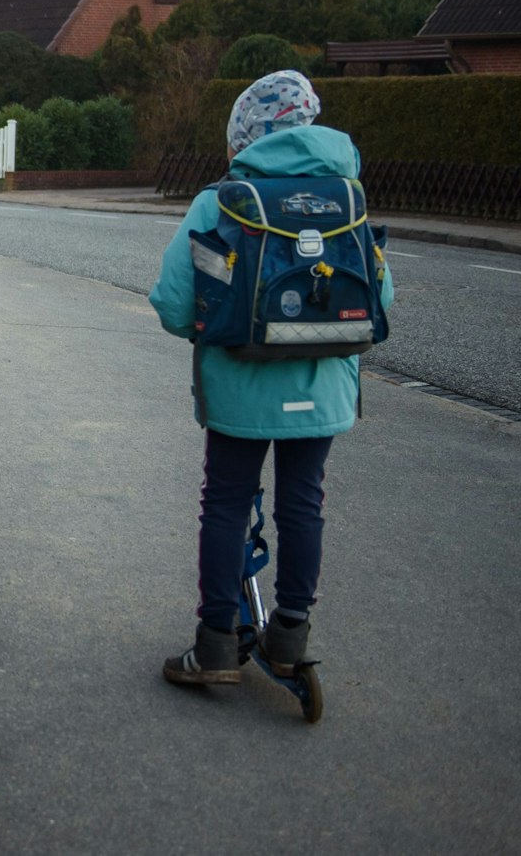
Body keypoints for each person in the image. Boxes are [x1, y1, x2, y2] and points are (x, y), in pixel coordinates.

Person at [147, 70, 395, 687]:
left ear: (243, 137)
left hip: (240, 382)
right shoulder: (348, 198)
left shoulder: (221, 200)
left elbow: (175, 304)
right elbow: (381, 298)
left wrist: (214, 332)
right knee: (303, 503)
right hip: (323, 384)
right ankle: (290, 633)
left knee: (228, 503)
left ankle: (216, 644)